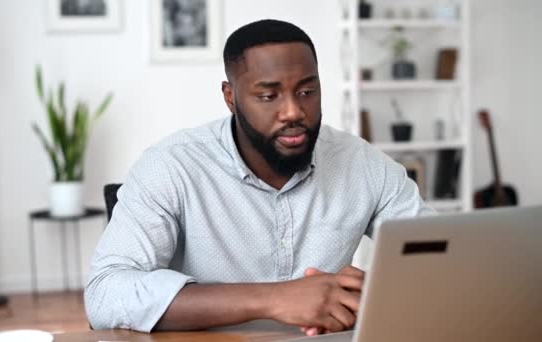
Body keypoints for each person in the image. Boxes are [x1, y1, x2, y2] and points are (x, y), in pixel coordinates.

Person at [85, 19, 433, 335]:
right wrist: (275, 298)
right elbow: (105, 294)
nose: (294, 111)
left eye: (307, 92)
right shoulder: (171, 166)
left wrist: (368, 297)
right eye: (268, 96)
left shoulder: (363, 164)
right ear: (230, 97)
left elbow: (437, 264)